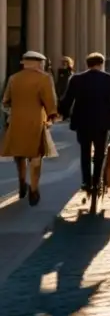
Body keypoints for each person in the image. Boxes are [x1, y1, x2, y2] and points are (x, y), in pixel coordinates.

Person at [58, 52, 110, 192]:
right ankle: (97, 180)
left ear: (87, 64)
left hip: (82, 121)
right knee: (100, 151)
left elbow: (67, 99)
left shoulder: (76, 79)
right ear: (101, 64)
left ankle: (86, 182)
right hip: (103, 121)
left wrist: (62, 113)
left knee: (85, 151)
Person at [1, 51, 59, 205]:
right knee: (36, 156)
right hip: (36, 121)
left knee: (19, 154)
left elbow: (5, 101)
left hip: (16, 121)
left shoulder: (13, 78)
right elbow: (50, 101)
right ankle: (34, 189)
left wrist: (12, 112)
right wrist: (52, 115)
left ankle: (21, 184)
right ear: (38, 63)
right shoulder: (45, 78)